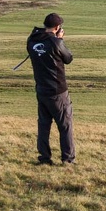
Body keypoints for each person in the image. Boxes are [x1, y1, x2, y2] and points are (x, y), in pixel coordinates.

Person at [27, 12, 75, 165]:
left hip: (41, 90)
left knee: (44, 125)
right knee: (65, 125)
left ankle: (44, 158)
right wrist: (59, 40)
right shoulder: (56, 42)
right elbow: (68, 58)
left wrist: (55, 39)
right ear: (57, 27)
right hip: (57, 91)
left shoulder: (31, 40)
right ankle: (67, 159)